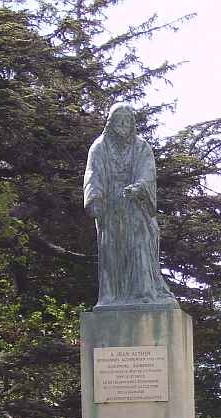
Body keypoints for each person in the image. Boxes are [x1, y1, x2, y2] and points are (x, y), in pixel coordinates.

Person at [83, 102, 178, 310]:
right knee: (112, 252)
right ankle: (112, 297)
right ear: (111, 122)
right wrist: (95, 198)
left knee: (141, 246)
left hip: (136, 207)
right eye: (120, 119)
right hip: (111, 210)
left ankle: (144, 292)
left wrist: (139, 188)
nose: (124, 124)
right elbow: (93, 174)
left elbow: (148, 172)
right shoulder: (99, 147)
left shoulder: (141, 146)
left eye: (128, 120)